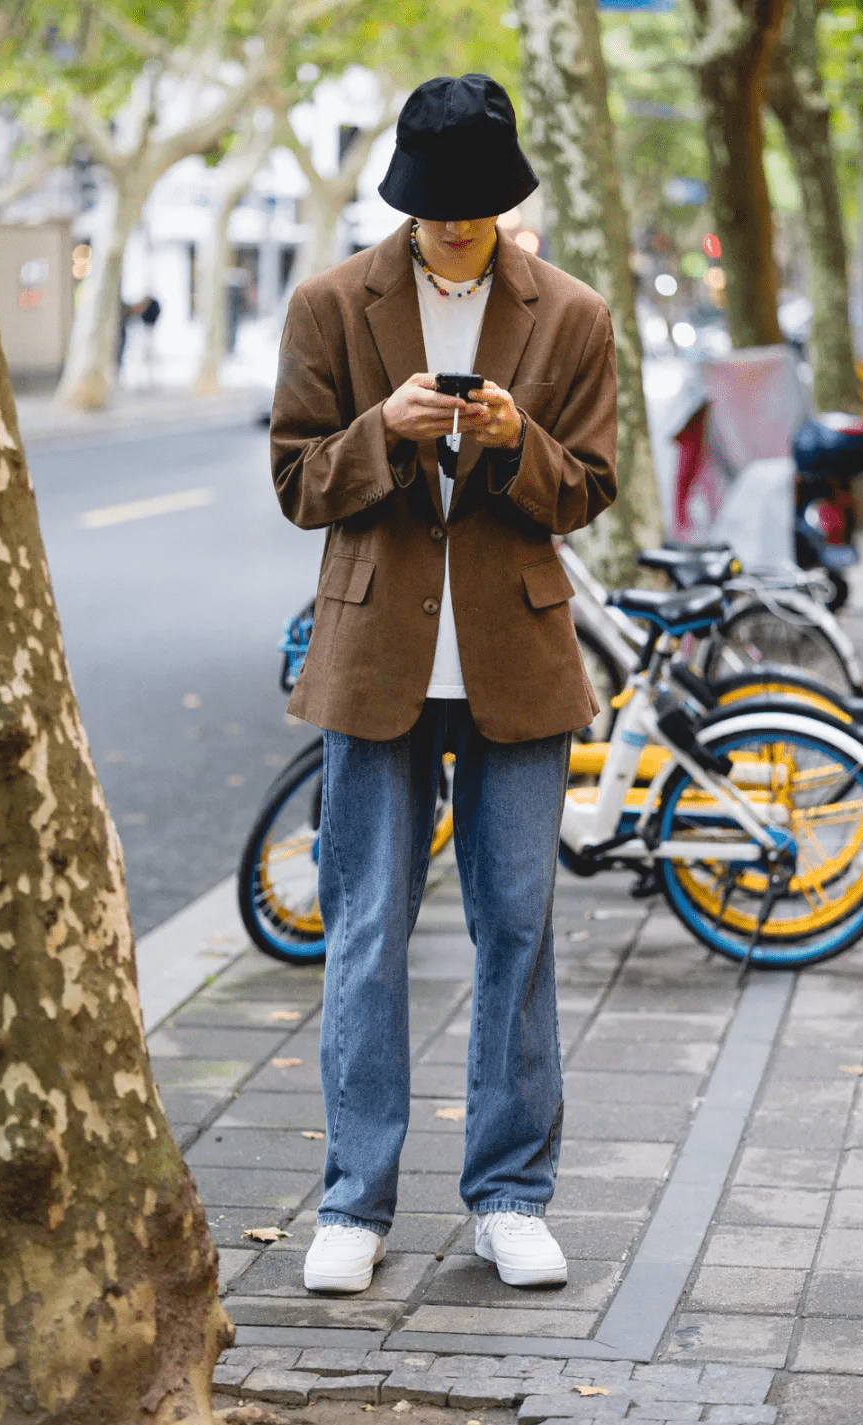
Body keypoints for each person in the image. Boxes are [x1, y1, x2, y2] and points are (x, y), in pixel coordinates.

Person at [270, 73, 618, 1294]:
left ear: (506, 196)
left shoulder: (572, 315)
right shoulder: (332, 305)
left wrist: (521, 443)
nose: (456, 225)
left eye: (477, 206)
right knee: (363, 932)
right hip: (375, 662)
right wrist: (386, 432)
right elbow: (299, 484)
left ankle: (511, 1195)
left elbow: (589, 492)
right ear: (406, 195)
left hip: (517, 661)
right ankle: (353, 1205)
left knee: (515, 932)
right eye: (437, 207)